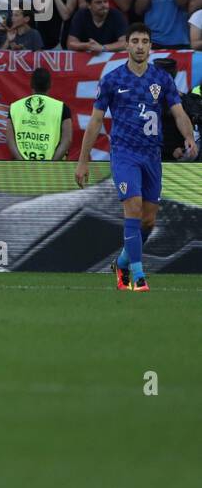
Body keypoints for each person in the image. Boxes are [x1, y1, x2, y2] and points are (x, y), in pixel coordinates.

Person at [75, 22, 196, 292]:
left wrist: (188, 136)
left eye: (144, 41)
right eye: (135, 41)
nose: (140, 46)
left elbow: (178, 112)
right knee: (133, 206)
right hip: (124, 154)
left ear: (150, 46)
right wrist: (83, 161)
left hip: (151, 155)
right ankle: (137, 276)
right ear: (127, 45)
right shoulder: (112, 80)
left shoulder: (161, 79)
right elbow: (95, 122)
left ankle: (121, 262)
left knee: (149, 220)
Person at [7, 66, 71, 161]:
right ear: (50, 84)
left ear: (31, 84)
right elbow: (67, 140)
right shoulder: (62, 107)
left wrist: (22, 162)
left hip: (21, 168)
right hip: (52, 170)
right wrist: (51, 164)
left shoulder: (14, 107)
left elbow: (10, 140)